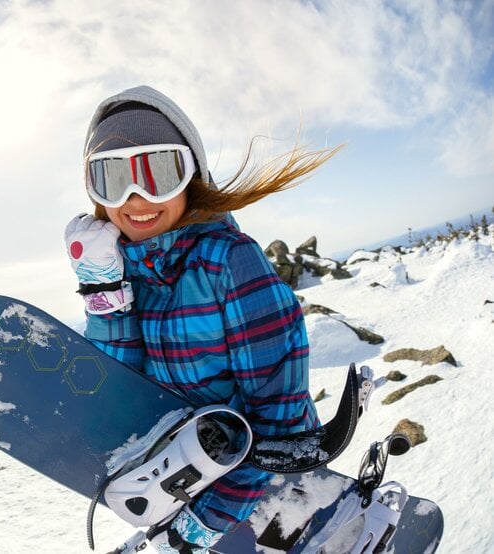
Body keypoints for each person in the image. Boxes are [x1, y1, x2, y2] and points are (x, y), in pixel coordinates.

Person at [65, 85, 339, 553]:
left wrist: (211, 517)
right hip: (186, 476)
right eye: (112, 179)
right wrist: (103, 290)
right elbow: (124, 390)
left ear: (191, 175)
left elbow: (280, 415)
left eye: (158, 171)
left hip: (269, 486)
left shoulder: (230, 262)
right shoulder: (121, 269)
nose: (136, 197)